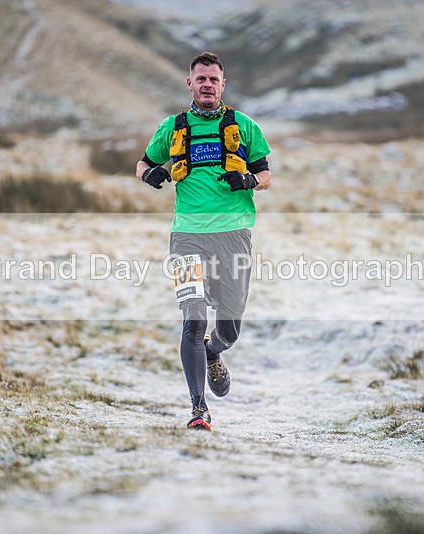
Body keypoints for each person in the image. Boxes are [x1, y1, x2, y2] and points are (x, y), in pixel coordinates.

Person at [135, 52, 272, 431]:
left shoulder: (244, 126)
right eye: (201, 79)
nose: (207, 84)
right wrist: (153, 175)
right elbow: (141, 165)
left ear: (222, 85)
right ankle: (199, 409)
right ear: (190, 84)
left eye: (213, 79)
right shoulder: (173, 127)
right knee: (193, 320)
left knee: (228, 328)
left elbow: (266, 176)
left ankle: (214, 353)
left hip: (233, 236)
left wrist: (247, 180)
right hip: (187, 237)